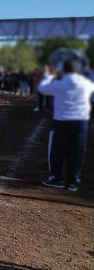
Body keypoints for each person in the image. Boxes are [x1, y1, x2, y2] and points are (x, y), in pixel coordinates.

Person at [38, 59, 94, 192]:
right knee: (77, 152)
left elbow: (42, 88)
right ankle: (73, 181)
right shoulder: (87, 83)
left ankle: (56, 178)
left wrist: (50, 75)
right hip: (81, 122)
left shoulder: (59, 83)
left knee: (56, 151)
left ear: (64, 70)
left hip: (62, 121)